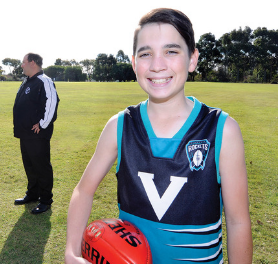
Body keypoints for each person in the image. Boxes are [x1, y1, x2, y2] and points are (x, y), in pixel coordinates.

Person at [65, 8, 252, 264]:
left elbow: (238, 221)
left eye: (171, 51)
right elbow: (84, 191)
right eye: (146, 54)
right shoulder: (120, 126)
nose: (157, 65)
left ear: (193, 59)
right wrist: (71, 252)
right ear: (134, 63)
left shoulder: (222, 130)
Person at [13, 53, 59, 214]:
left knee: (41, 166)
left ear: (32, 63)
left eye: (23, 62)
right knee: (30, 166)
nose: (21, 65)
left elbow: (52, 103)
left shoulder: (44, 80)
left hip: (37, 134)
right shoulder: (28, 81)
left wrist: (43, 124)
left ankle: (45, 199)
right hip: (25, 133)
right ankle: (32, 194)